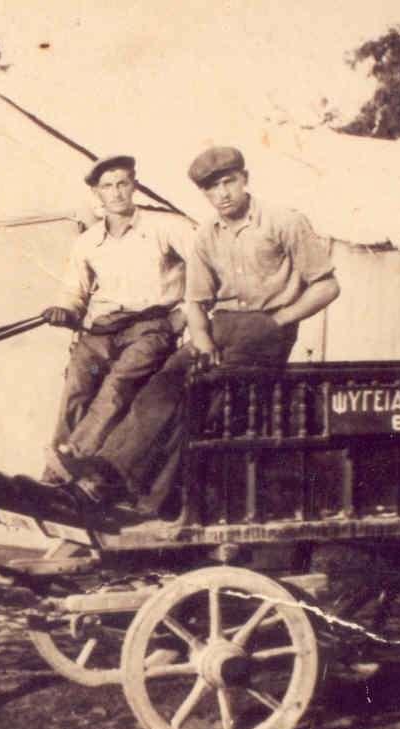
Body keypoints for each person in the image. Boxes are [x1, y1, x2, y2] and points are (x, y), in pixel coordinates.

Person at [72, 145, 340, 516]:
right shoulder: (205, 235)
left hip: (267, 327)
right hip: (219, 326)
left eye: (229, 182)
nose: (222, 194)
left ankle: (139, 496)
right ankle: (106, 476)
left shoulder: (284, 221)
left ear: (245, 179)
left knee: (202, 396)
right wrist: (201, 338)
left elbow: (327, 286)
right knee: (162, 384)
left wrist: (279, 321)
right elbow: (196, 301)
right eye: (212, 189)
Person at [39, 155, 198, 484]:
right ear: (97, 194)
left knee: (117, 385)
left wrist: (184, 314)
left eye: (122, 183)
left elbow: (207, 271)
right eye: (107, 186)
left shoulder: (167, 228)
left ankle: (66, 467)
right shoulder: (87, 242)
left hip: (150, 329)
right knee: (77, 384)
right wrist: (64, 310)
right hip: (102, 332)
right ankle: (58, 475)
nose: (116, 193)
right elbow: (74, 291)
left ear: (134, 185)